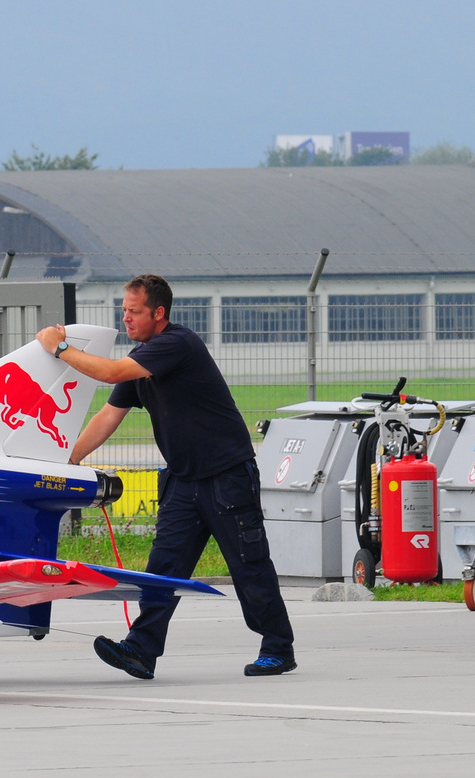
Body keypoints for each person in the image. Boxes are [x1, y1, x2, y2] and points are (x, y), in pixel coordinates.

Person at [37, 274, 296, 679]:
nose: (126, 318)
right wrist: (66, 459)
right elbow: (109, 415)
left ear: (159, 313)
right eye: (123, 310)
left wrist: (62, 348)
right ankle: (140, 651)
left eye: (134, 311)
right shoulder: (143, 362)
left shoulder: (176, 344)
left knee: (248, 566)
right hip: (182, 481)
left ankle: (278, 648)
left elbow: (109, 372)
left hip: (226, 477)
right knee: (161, 571)